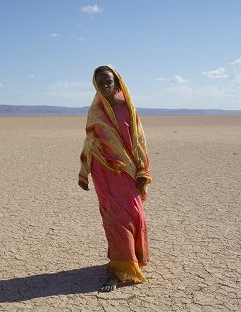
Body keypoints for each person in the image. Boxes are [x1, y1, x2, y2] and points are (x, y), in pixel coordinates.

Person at [78, 65, 151, 292]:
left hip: (127, 172)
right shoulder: (96, 111)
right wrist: (84, 171)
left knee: (135, 214)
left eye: (108, 82)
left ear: (117, 83)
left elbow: (139, 140)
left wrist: (141, 170)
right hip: (104, 172)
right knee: (115, 219)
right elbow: (90, 141)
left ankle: (134, 258)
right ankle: (118, 269)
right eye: (100, 83)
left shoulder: (128, 108)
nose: (105, 86)